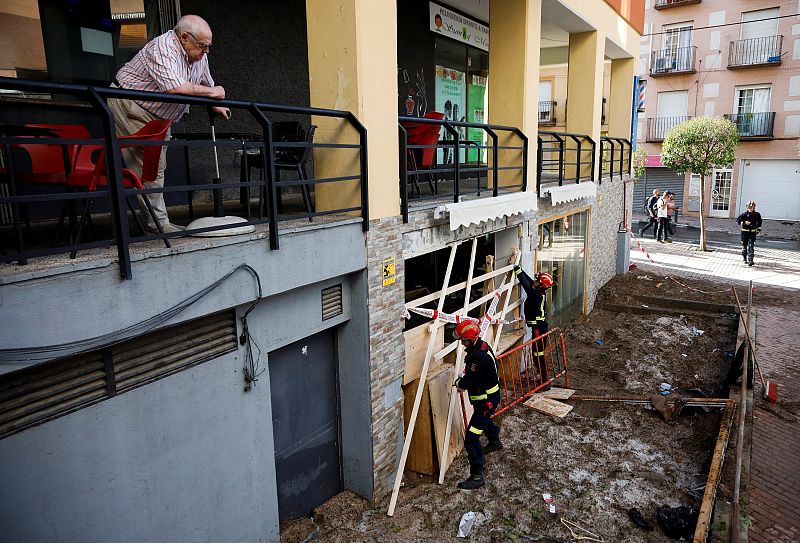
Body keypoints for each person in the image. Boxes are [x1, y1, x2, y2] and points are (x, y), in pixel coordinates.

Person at [111, 14, 231, 233]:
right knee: (148, 167)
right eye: (202, 46)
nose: (206, 52)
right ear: (184, 38)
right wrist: (213, 92)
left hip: (159, 115)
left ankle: (157, 222)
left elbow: (205, 82)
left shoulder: (198, 54)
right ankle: (157, 225)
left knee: (157, 167)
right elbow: (175, 88)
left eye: (208, 46)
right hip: (132, 107)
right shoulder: (163, 48)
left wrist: (214, 102)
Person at [453, 320, 502, 490]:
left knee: (472, 438)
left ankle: (476, 476)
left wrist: (460, 383)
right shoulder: (481, 347)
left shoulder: (479, 358)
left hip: (486, 402)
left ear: (471, 339)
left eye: (463, 340)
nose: (462, 343)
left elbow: (471, 379)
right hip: (487, 399)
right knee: (484, 421)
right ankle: (495, 440)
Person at [514, 266, 555, 386]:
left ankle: (544, 380)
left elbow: (527, 285)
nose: (534, 281)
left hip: (538, 328)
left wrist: (517, 271)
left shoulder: (536, 295)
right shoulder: (539, 291)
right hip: (539, 327)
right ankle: (543, 378)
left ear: (541, 285)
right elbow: (530, 282)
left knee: (538, 354)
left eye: (537, 280)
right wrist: (519, 269)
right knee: (537, 354)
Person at [737, 200, 762, 266]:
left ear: (754, 207)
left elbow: (760, 223)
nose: (750, 208)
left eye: (751, 207)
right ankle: (744, 258)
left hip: (752, 233)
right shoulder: (744, 214)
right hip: (744, 233)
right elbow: (738, 221)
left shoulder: (757, 215)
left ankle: (751, 260)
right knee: (744, 246)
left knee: (751, 246)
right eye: (748, 207)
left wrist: (758, 230)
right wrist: (744, 222)